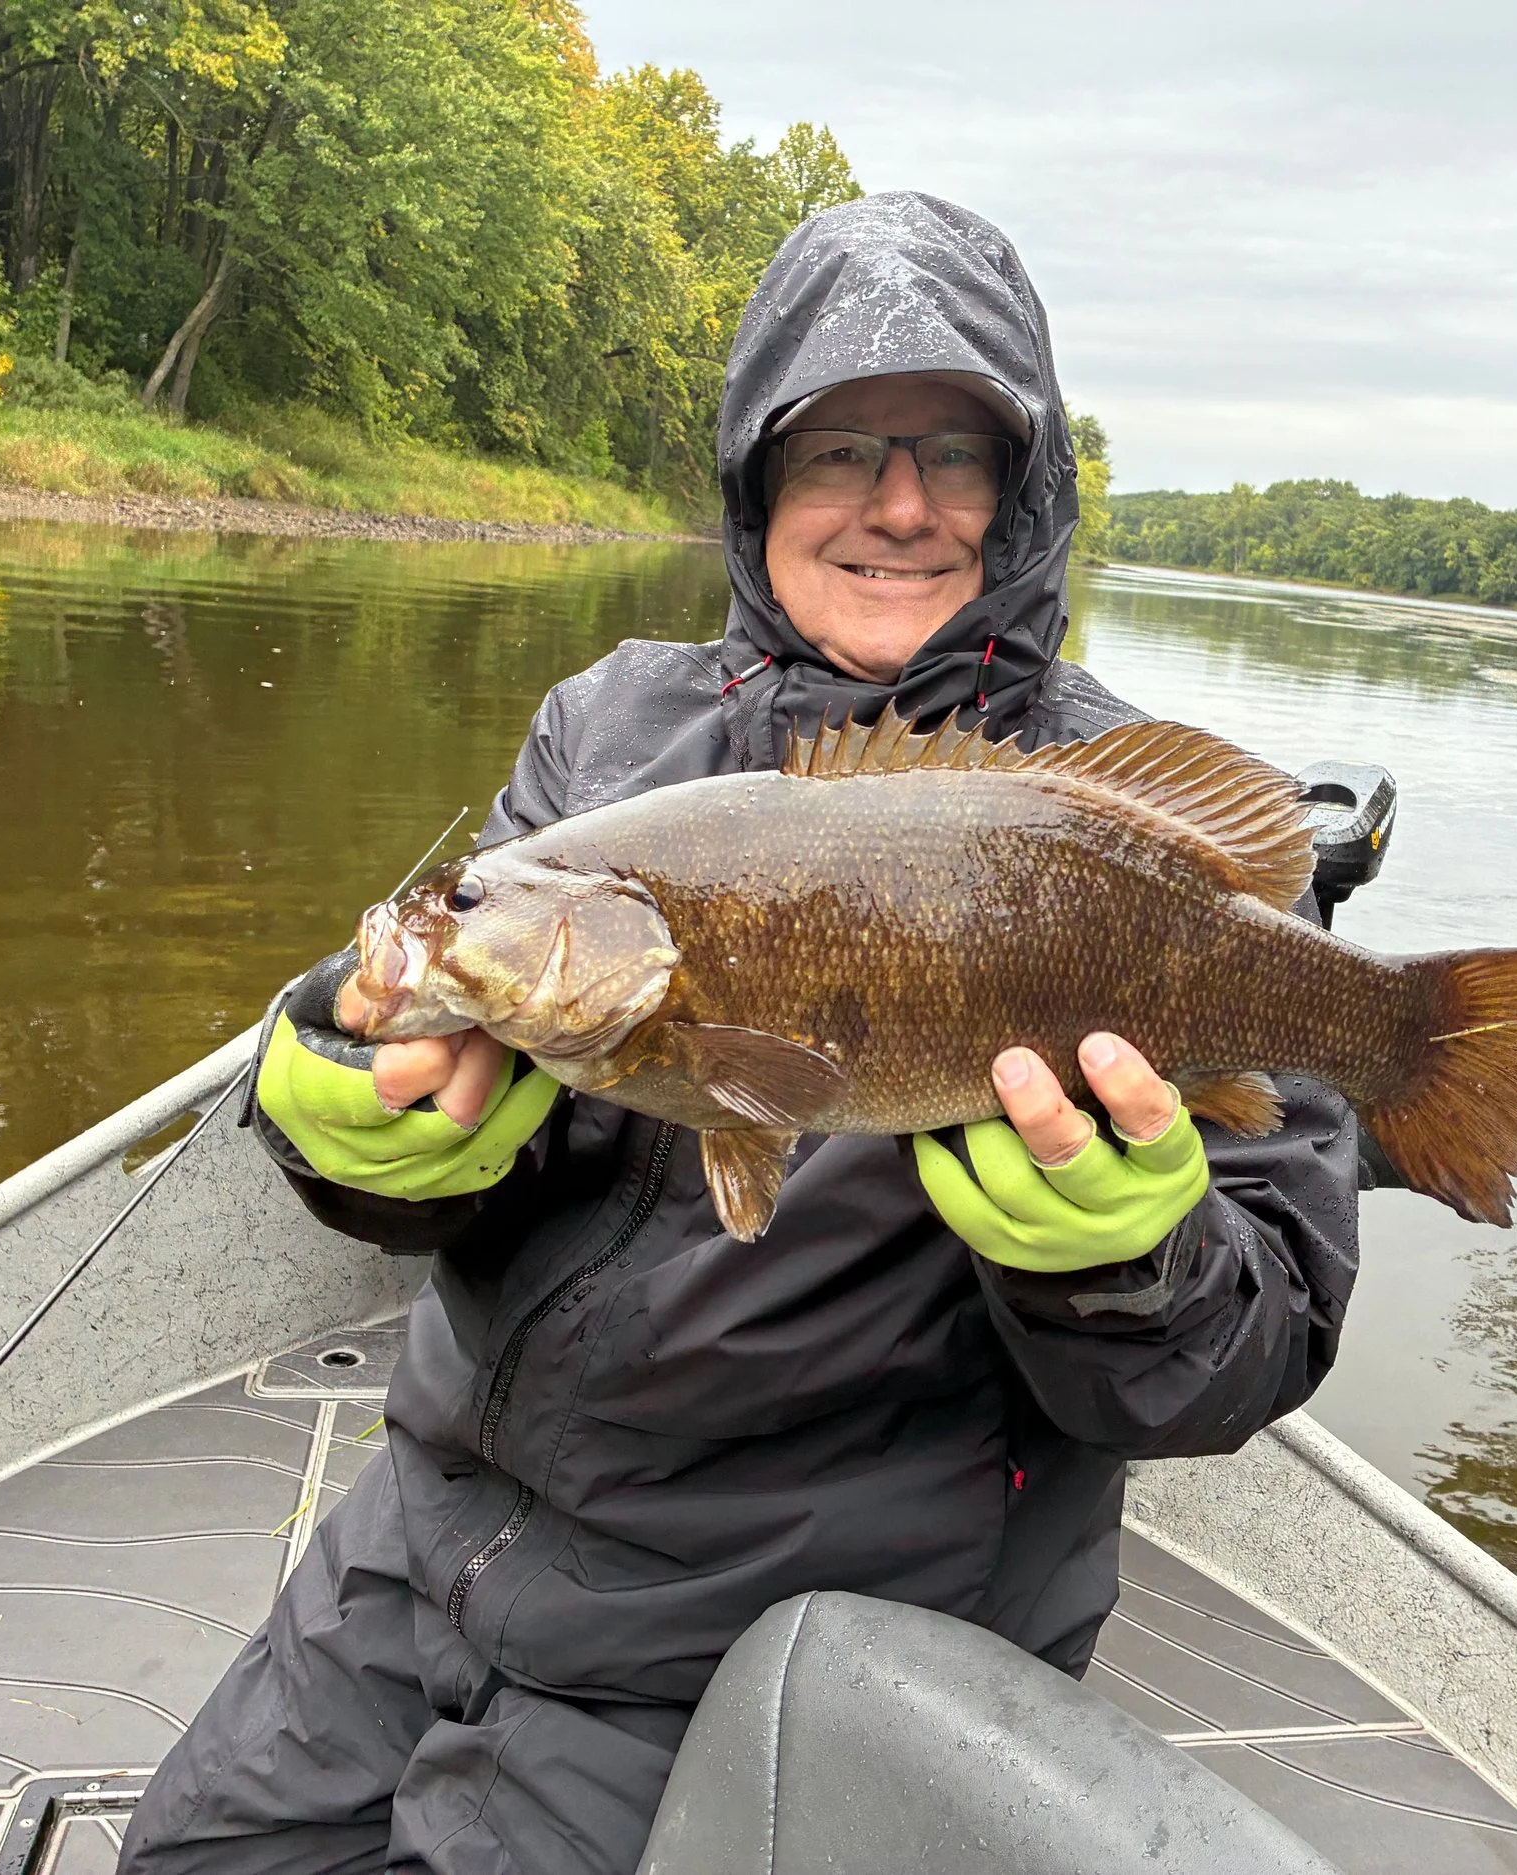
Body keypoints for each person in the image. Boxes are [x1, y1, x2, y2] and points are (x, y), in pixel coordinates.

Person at [119, 192, 1360, 1875]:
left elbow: (1253, 1339)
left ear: (1025, 495)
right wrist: (355, 1102)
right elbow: (463, 1015)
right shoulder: (610, 731)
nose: (899, 503)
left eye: (954, 452)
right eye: (840, 448)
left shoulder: (1112, 804)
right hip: (433, 1538)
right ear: (760, 484)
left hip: (771, 1639)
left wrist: (1128, 1256)